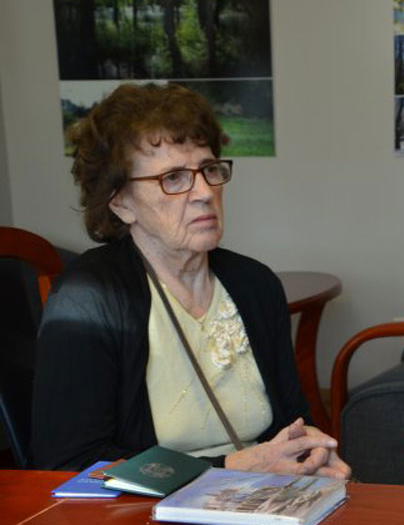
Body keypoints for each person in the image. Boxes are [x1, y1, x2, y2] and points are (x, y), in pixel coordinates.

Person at [32, 83, 351, 480]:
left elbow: (293, 421)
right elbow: (69, 465)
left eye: (209, 169)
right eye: (173, 177)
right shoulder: (89, 299)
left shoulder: (255, 284)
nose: (204, 192)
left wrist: (312, 452)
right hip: (145, 510)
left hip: (267, 497)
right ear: (121, 203)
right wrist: (232, 467)